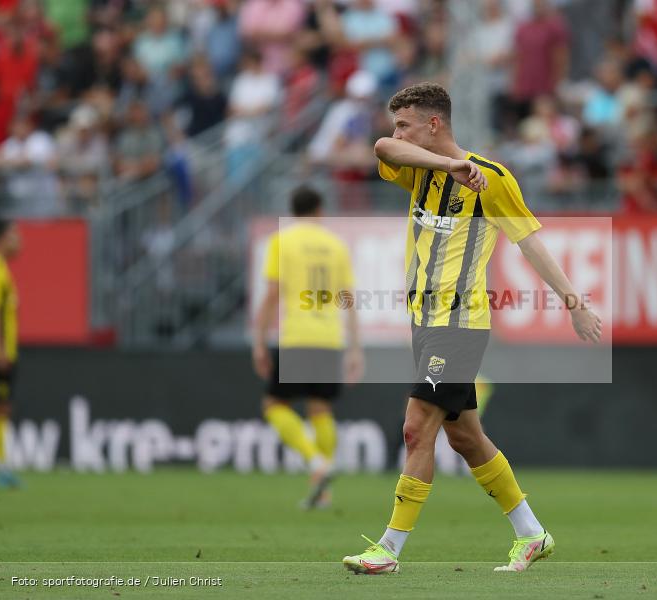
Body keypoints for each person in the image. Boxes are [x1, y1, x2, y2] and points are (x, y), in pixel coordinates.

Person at [342, 82, 601, 574]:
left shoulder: (493, 179)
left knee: (416, 429)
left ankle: (388, 549)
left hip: (459, 321)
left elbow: (531, 244)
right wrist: (448, 166)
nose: (396, 133)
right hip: (424, 320)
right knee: (465, 438)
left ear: (433, 124)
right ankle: (532, 534)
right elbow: (381, 148)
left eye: (405, 123)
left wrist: (575, 303)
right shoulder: (423, 169)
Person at [252, 186, 364, 509]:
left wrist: (259, 342)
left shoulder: (281, 241)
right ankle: (323, 492)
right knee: (321, 409)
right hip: (330, 337)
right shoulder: (336, 245)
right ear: (319, 210)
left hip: (298, 336)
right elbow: (349, 300)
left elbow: (272, 294)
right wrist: (355, 348)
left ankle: (317, 463)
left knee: (273, 405)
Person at [0, 220, 20, 488]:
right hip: (0, 353)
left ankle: (0, 463)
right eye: (14, 235)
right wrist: (0, 350)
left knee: (1, 410)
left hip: (6, 351)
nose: (19, 241)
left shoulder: (3, 268)